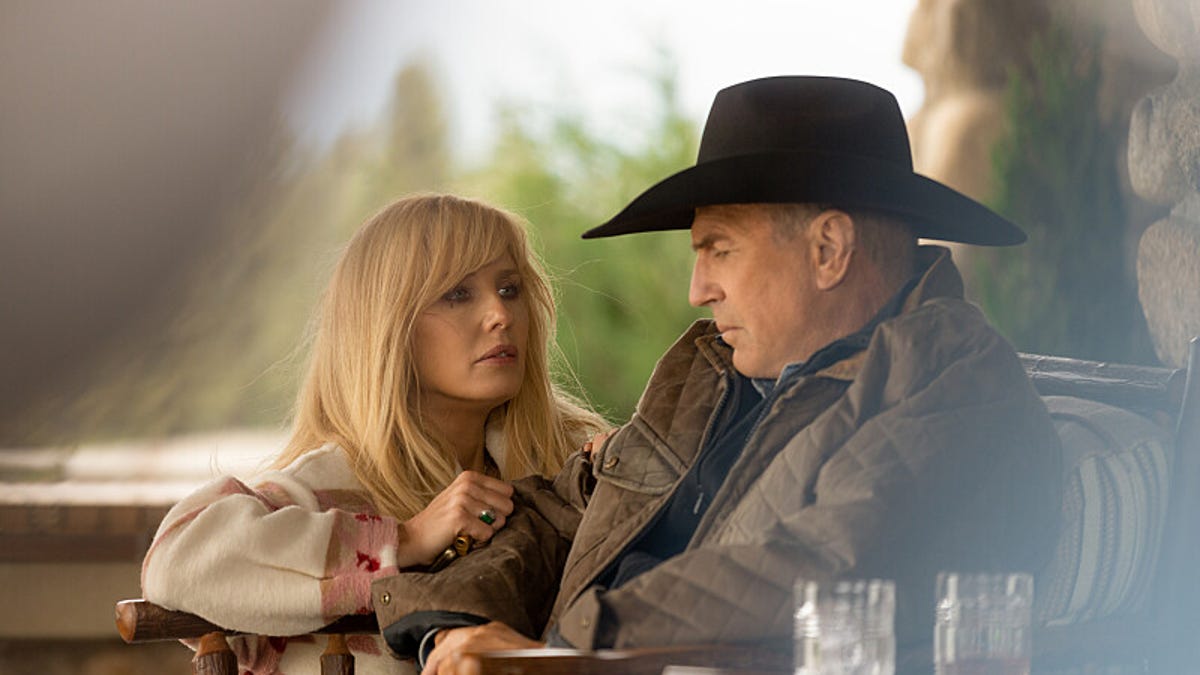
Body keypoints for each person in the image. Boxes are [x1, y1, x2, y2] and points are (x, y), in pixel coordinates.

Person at [372, 77, 1064, 675]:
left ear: (828, 250)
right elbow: (559, 511)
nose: (698, 287)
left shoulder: (948, 383)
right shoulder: (712, 371)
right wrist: (453, 630)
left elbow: (819, 566)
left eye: (719, 249)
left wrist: (562, 653)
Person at [140, 194, 609, 675]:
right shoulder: (323, 490)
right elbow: (175, 560)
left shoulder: (574, 467)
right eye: (458, 294)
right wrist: (402, 540)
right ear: (387, 324)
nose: (500, 315)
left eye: (509, 289)